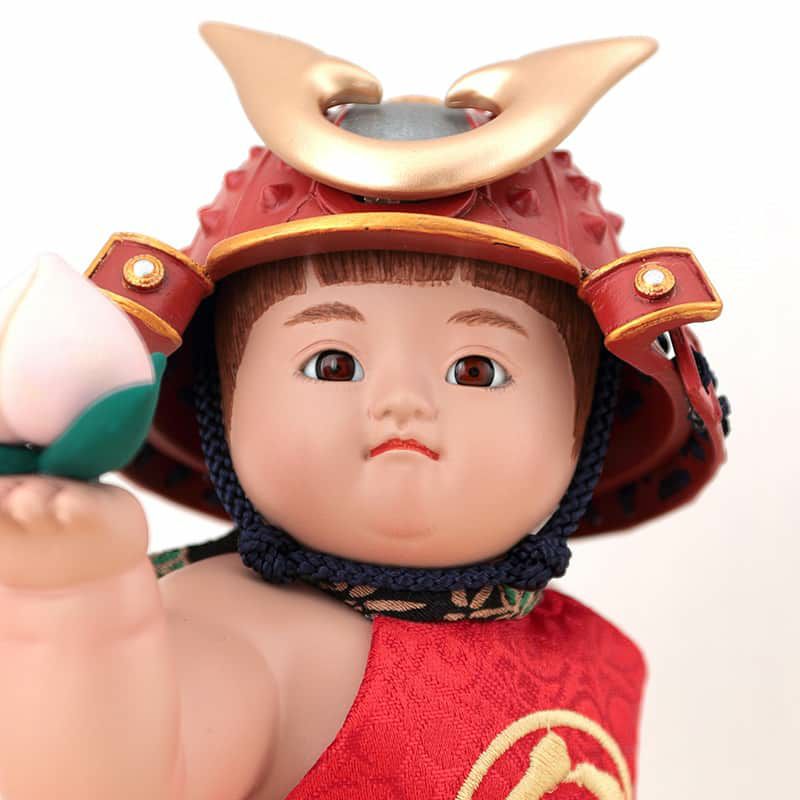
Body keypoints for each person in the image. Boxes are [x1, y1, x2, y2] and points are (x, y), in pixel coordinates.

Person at [0, 22, 729, 800]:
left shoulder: (578, 643)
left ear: (586, 423)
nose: (402, 403)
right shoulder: (242, 636)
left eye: (476, 370)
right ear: (223, 400)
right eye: (333, 364)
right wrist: (72, 610)